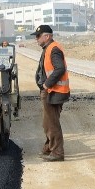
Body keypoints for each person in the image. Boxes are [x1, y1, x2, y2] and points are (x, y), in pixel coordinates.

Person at [34, 24, 70, 162]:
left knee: (52, 124)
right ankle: (49, 147)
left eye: (38, 36)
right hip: (51, 91)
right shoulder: (48, 48)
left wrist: (46, 84)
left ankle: (57, 152)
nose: (36, 39)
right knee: (47, 123)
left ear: (47, 36)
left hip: (54, 91)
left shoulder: (53, 49)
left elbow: (59, 68)